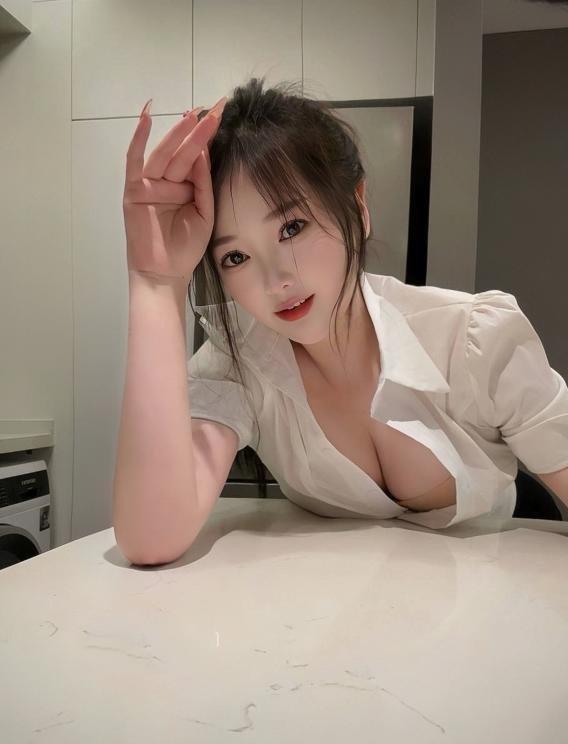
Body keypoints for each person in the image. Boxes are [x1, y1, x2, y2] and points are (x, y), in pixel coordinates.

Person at [113, 77, 568, 566]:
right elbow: (151, 539)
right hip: (338, 603)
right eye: (236, 257)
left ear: (357, 204)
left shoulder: (473, 339)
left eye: (292, 227)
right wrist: (156, 283)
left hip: (492, 585)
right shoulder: (237, 363)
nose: (277, 280)